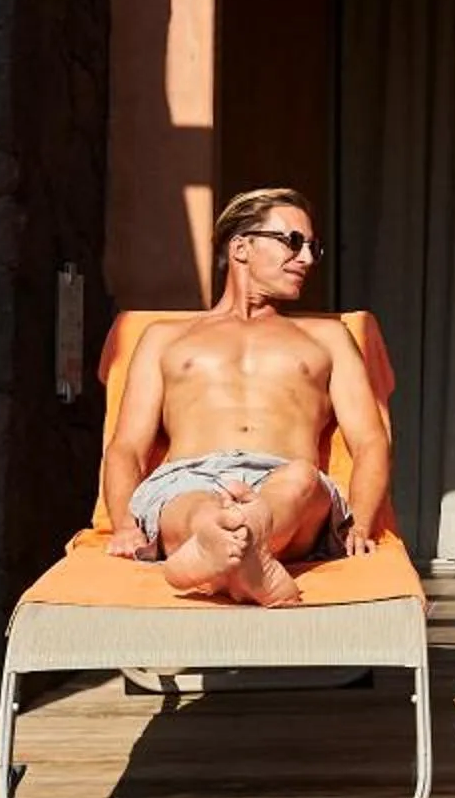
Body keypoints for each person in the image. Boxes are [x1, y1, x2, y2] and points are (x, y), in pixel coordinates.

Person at [100, 188, 390, 606]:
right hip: (188, 479)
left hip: (284, 480)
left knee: (303, 480)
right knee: (195, 505)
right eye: (292, 242)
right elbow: (126, 446)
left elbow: (370, 440)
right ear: (241, 247)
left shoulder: (327, 338)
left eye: (312, 247)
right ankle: (240, 555)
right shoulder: (164, 338)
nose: (306, 258)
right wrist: (124, 524)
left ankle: (221, 550)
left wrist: (359, 523)